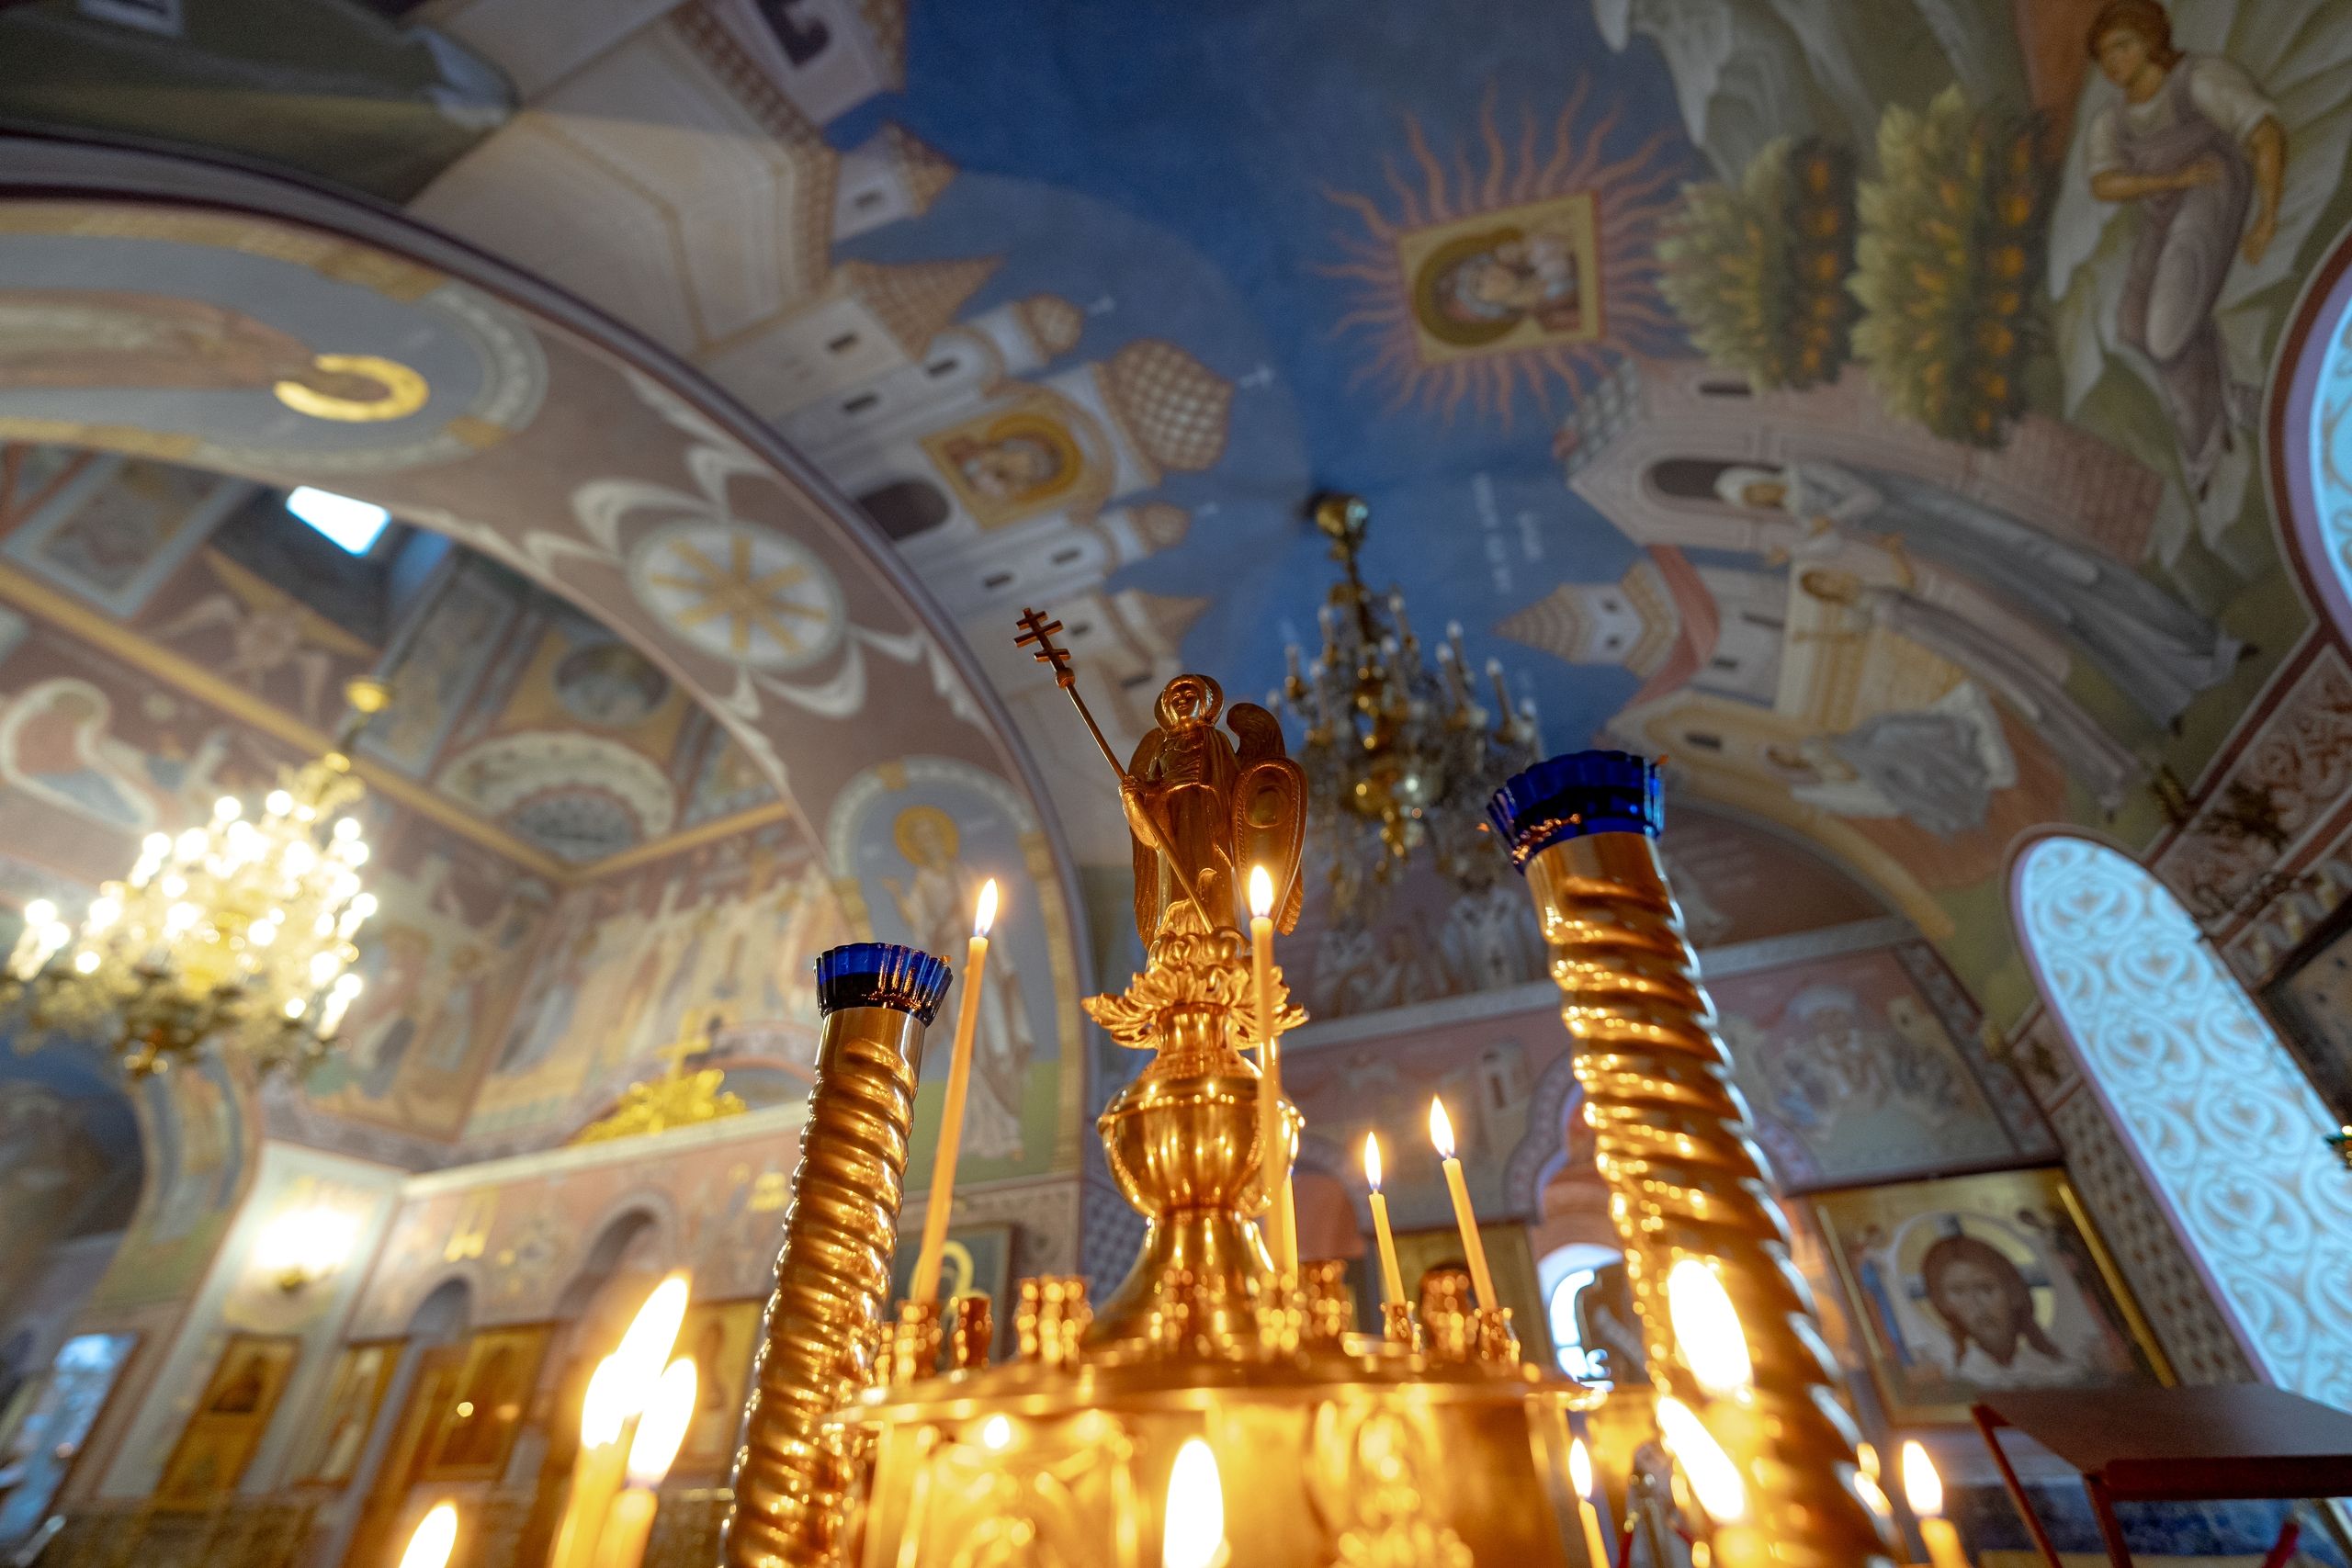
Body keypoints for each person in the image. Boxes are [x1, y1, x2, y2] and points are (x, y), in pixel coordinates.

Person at [1718, 461, 2238, 729]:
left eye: (1755, 490)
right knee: (2056, 610)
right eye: (1754, 502)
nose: (1762, 498)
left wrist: (1832, 519)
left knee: (2068, 573)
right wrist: (1799, 549)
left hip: (1941, 517)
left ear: (1758, 479)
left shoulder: (1806, 473)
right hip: (1934, 541)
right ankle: (2163, 689)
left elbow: (1869, 496)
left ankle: (2199, 642)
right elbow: (1836, 543)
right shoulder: (1801, 514)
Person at [2084, 0, 2286, 496]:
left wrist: (2267, 216)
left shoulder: (2196, 81)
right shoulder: (2113, 120)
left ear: (2151, 40)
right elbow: (2103, 182)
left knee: (2166, 333)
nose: (2113, 62)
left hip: (2213, 191)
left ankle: (2221, 412)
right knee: (2133, 327)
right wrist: (2170, 179)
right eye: (2104, 55)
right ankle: (2222, 401)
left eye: (2123, 46)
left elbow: (2265, 134)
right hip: (2165, 209)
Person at [1919, 1233, 2071, 1386]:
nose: (1976, 1304)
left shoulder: (2052, 1369)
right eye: (1958, 1291)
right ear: (1944, 1304)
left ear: (2013, 1293)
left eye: (1986, 1288)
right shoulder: (1956, 1376)